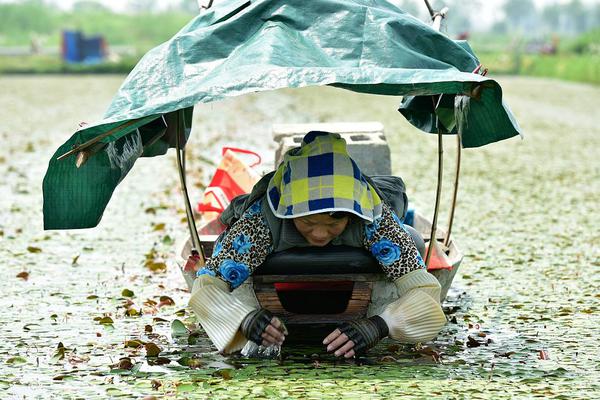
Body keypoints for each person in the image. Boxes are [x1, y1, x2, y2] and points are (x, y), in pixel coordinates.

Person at [188, 131, 446, 357]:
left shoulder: (375, 219)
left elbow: (424, 289)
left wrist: (380, 324)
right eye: (308, 223)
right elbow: (207, 285)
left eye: (334, 223)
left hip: (382, 194)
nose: (321, 234)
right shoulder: (260, 221)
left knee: (411, 237)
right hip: (257, 216)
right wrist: (243, 318)